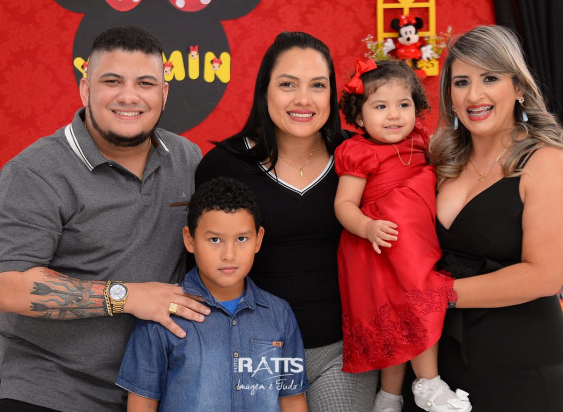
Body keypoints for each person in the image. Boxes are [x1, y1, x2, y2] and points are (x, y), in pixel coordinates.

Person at [0, 26, 210, 412]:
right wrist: (128, 296)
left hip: (155, 387)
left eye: (145, 83)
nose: (129, 96)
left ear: (164, 93)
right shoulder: (35, 171)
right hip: (49, 387)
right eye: (112, 81)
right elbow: (10, 287)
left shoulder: (186, 159)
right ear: (86, 89)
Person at [195, 31, 379, 411]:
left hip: (343, 350)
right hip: (251, 351)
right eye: (287, 84)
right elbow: (200, 267)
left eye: (318, 85)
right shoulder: (223, 165)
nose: (303, 99)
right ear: (264, 91)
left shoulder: (359, 157)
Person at [403, 25, 563, 411]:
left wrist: (438, 296)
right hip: (438, 366)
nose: (474, 95)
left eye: (490, 78)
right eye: (462, 82)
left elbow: (546, 275)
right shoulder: (441, 160)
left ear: (519, 87)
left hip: (520, 368)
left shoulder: (546, 162)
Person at [334, 59, 472, 412]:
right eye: (380, 107)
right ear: (359, 117)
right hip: (379, 249)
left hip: (416, 246)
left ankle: (397, 395)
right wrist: (367, 227)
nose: (394, 115)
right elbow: (344, 205)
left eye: (403, 104)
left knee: (410, 316)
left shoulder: (420, 141)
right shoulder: (359, 152)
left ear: (417, 108)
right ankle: (416, 386)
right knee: (400, 319)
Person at [117, 177, 309, 411]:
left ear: (258, 239)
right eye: (215, 239)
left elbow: (292, 400)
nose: (229, 255)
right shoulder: (161, 314)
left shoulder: (279, 314)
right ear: (190, 239)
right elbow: (142, 405)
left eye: (241, 239)